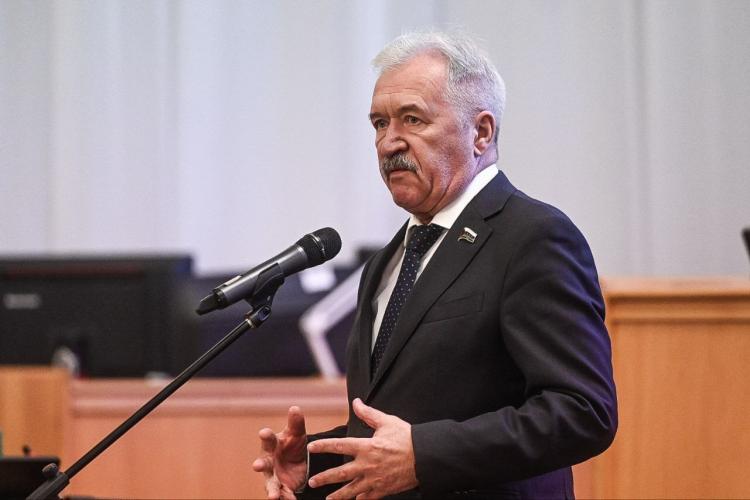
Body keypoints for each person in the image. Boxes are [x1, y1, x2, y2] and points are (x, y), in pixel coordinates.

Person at [252, 31, 617, 499]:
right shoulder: (388, 261)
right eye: (379, 123)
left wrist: (425, 455)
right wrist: (313, 466)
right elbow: (398, 424)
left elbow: (583, 411)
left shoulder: (533, 237)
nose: (388, 143)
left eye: (412, 119)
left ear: (481, 133)